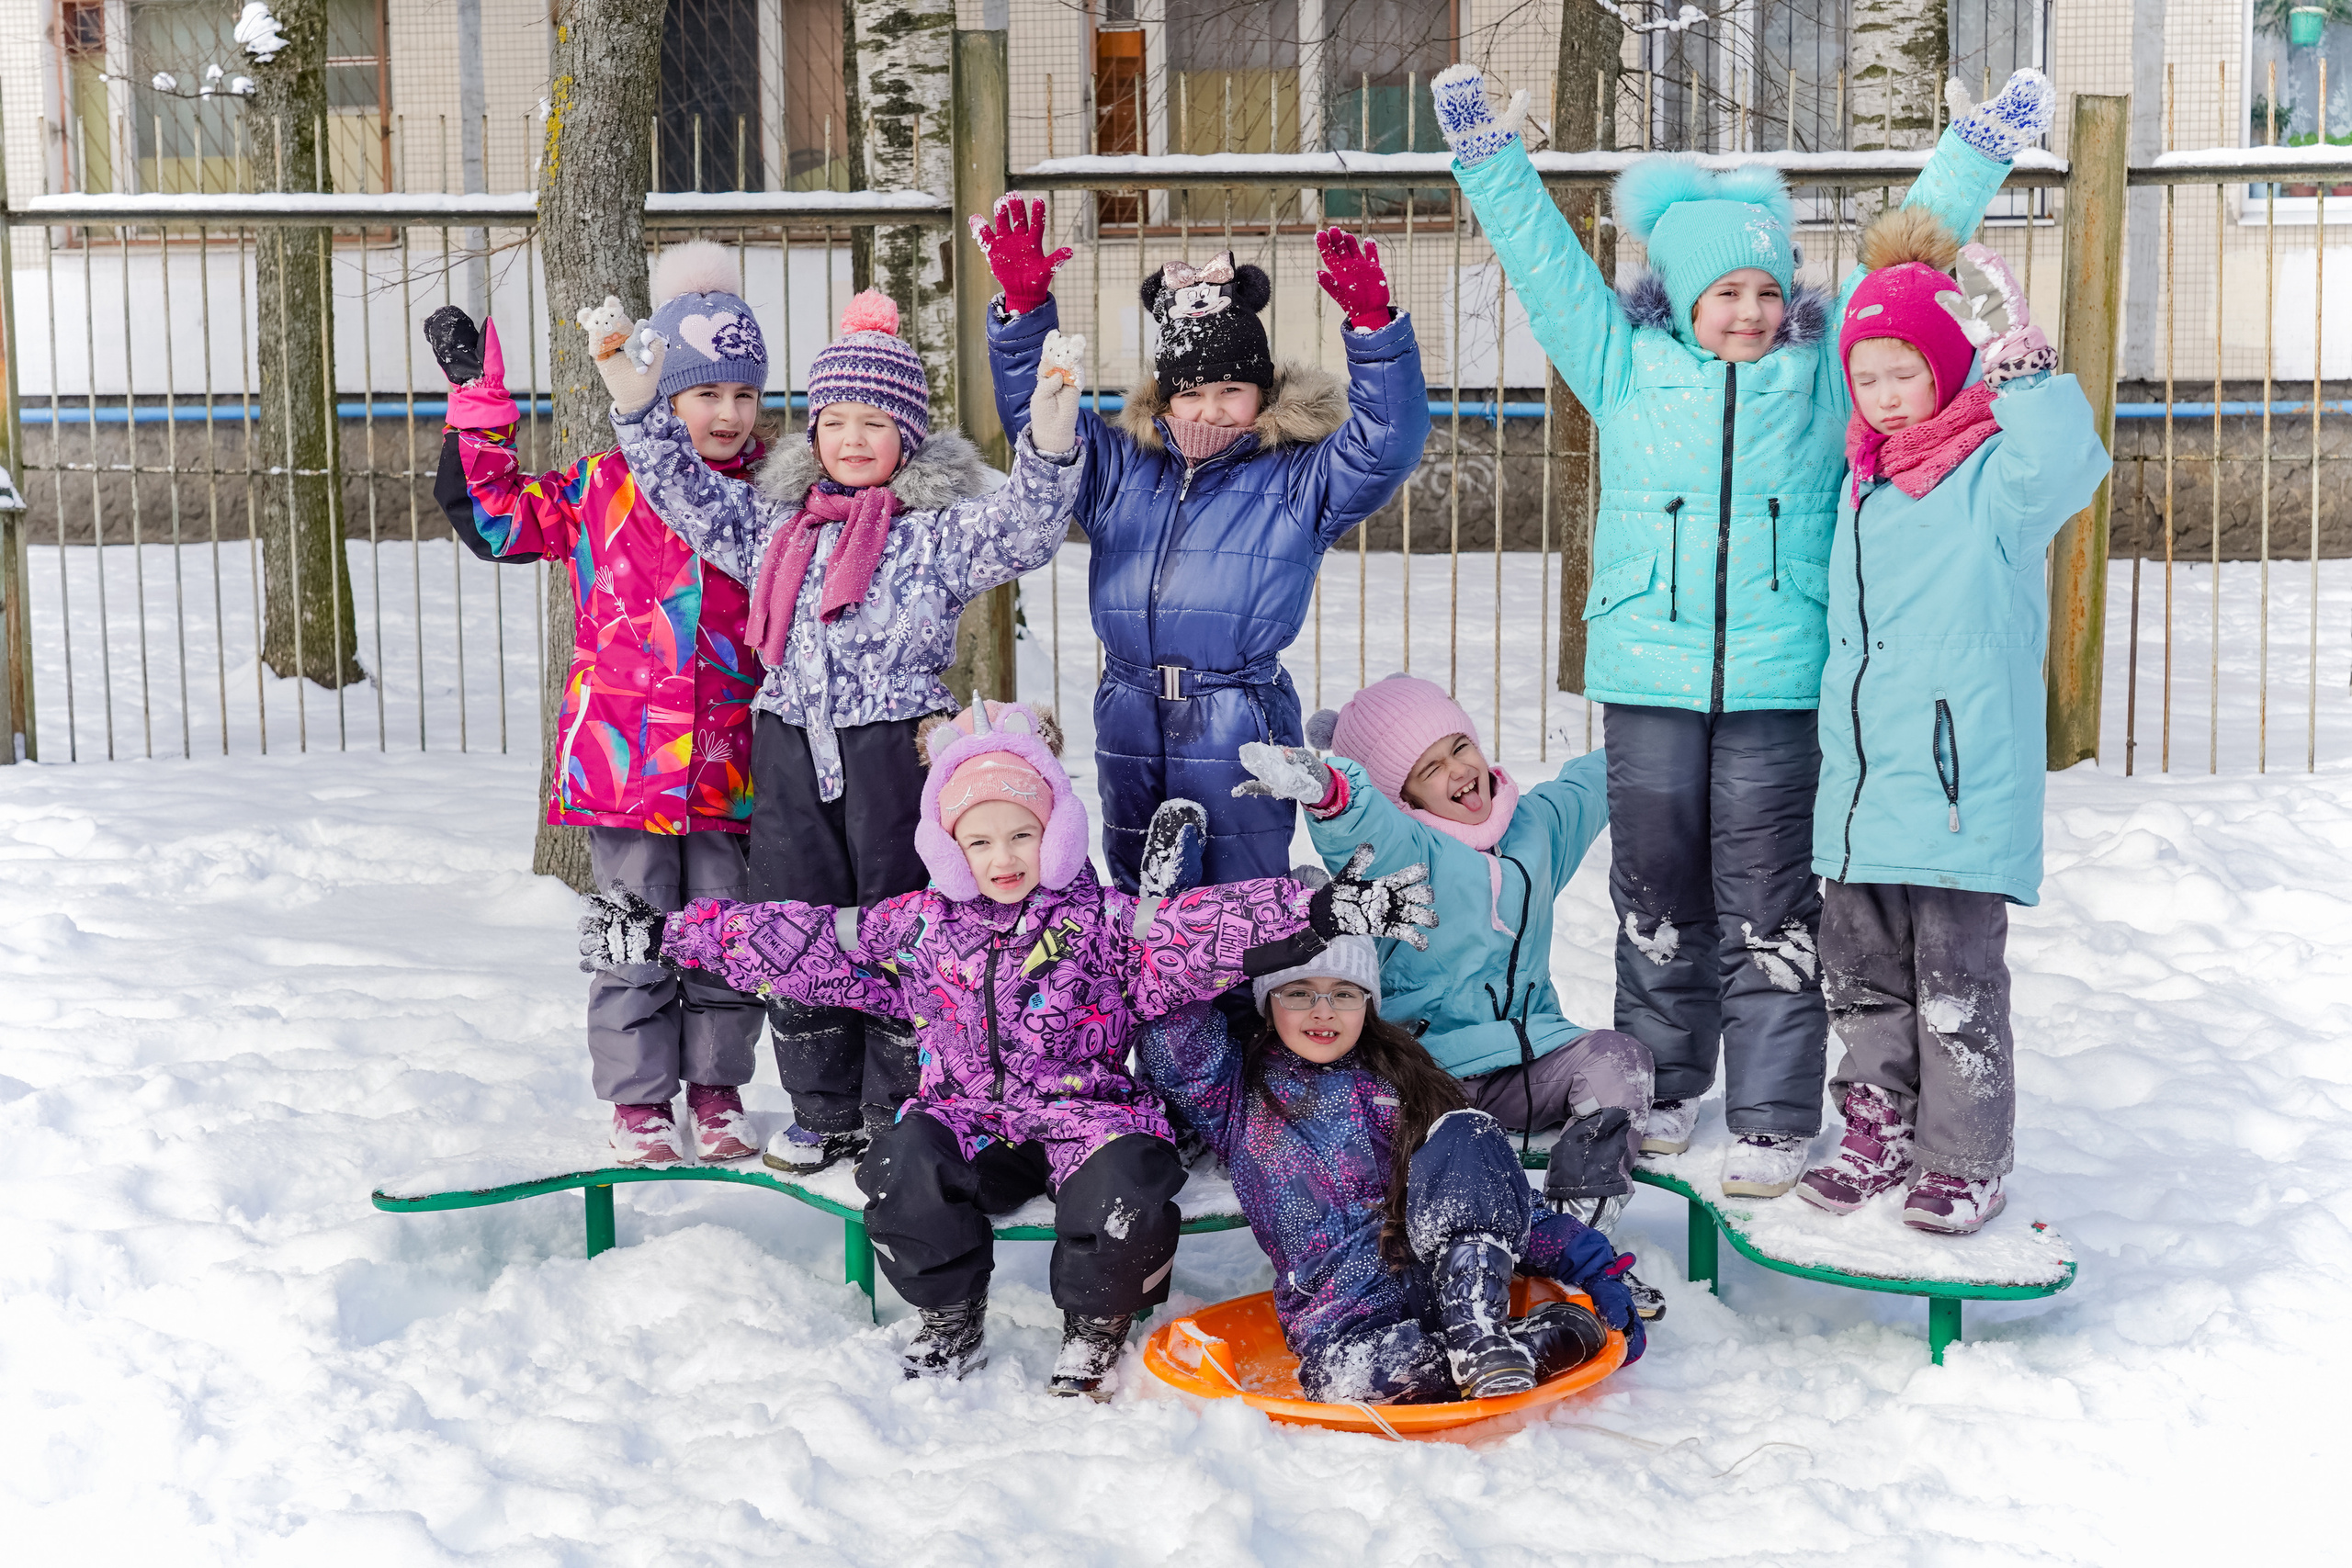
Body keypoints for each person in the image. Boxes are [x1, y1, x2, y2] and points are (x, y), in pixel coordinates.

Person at [1428, 62, 2058, 1198]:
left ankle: (1771, 1110)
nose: (1752, 313)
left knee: (1771, 902)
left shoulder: (1820, 384)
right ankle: (1662, 1080)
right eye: (1727, 292)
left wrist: (1977, 146)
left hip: (1779, 678)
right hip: (1648, 676)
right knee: (1656, 895)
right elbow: (1544, 267)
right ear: (1676, 295)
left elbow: (1908, 259)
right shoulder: (1622, 368)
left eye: (1767, 292)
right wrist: (1488, 157)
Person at [577, 700, 1440, 1395]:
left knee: (1132, 1182)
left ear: (1056, 834)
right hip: (969, 1118)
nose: (1003, 857)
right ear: (947, 847)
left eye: (1022, 835)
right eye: (979, 840)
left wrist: (1323, 915)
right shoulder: (918, 929)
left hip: (1085, 1119)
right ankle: (950, 1314)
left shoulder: (1103, 923)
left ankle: (1097, 1324)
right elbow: (802, 939)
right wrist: (666, 934)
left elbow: (1203, 931)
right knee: (902, 1160)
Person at [598, 288, 1087, 1177]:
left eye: (875, 421)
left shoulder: (934, 534)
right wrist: (636, 402)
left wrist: (1050, 443)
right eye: (835, 421)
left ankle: (901, 1105)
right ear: (812, 430)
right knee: (799, 930)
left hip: (894, 750)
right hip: (789, 745)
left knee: (901, 929)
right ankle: (822, 1109)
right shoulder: (772, 524)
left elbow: (1026, 528)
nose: (853, 439)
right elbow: (677, 488)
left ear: (908, 435)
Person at [421, 243, 769, 1167]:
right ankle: (639, 1102)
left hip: (734, 766)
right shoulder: (602, 489)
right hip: (625, 768)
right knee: (633, 933)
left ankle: (718, 1090)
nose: (727, 414)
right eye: (705, 394)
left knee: (725, 939)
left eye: (743, 394)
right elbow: (495, 520)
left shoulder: (775, 495)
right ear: (663, 394)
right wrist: (480, 414)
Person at [1794, 215, 2107, 1234]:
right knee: (1861, 978)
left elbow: (2068, 467)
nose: (1885, 397)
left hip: (1956, 791)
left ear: (1948, 370)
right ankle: (1876, 1130)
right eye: (1868, 377)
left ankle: (1965, 1157)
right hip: (1863, 793)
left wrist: (2022, 371)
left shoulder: (1992, 477)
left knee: (1957, 983)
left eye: (1906, 374)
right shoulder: (1860, 483)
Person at [974, 197, 1430, 890]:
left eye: (1231, 389)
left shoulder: (1297, 479)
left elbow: (1385, 444)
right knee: (1142, 893)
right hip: (1129, 711)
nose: (1211, 409)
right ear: (1164, 398)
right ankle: (1150, 999)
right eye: (1190, 393)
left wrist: (1372, 331)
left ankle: (1243, 1001)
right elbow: (1042, 414)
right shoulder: (1122, 466)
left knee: (1237, 895)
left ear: (1262, 390)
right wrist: (1025, 310)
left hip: (1237, 716)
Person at [1230, 676, 1666, 1320]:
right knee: (1424, 1152)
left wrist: (1659, 716)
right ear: (1403, 794)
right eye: (1429, 768)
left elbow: (1590, 784)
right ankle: (1443, 1260)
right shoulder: (1408, 848)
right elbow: (1361, 824)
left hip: (1530, 1054)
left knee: (1620, 1062)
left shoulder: (1534, 827)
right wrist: (1330, 791)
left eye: (1459, 746)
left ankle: (1578, 1234)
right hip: (1425, 1073)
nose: (1459, 770)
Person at [1137, 924, 1646, 1404]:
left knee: (1468, 1132)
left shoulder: (1406, 1080)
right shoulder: (1236, 1091)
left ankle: (1478, 1331)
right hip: (1343, 1318)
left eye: (1343, 992)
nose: (1323, 1011)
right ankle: (1525, 1348)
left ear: (1367, 1004)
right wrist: (1170, 923)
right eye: (1298, 992)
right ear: (1269, 1003)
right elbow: (1172, 1035)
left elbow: (1485, 1193)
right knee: (1360, 1380)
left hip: (1446, 1284)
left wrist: (1595, 1265)